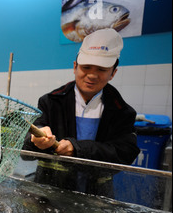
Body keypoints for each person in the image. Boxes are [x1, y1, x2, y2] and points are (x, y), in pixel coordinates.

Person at [23, 28, 140, 196]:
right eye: (86, 67)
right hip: (50, 192)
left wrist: (77, 149)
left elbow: (125, 152)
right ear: (75, 67)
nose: (92, 75)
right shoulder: (50, 102)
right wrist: (36, 140)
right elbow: (26, 149)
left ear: (113, 73)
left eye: (101, 69)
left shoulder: (122, 112)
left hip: (97, 196)